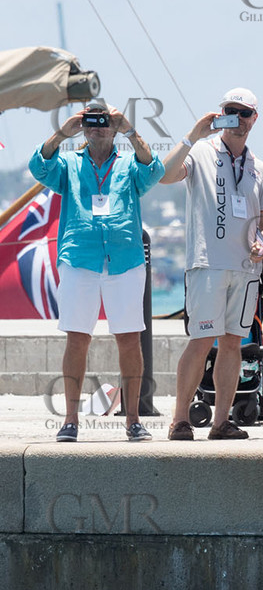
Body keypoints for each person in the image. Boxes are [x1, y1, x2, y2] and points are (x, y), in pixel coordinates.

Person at [29, 98, 162, 441]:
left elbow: (154, 171)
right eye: (91, 120)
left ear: (114, 125)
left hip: (124, 260)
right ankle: (70, 421)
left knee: (129, 339)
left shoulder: (129, 163)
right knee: (77, 338)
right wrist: (61, 133)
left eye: (103, 120)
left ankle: (133, 420)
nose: (97, 125)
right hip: (79, 258)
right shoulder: (69, 164)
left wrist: (129, 130)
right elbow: (39, 167)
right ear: (82, 126)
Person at [160, 88, 263, 440]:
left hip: (245, 268)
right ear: (220, 112)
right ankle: (179, 419)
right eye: (231, 110)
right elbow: (164, 176)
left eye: (245, 113)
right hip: (206, 264)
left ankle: (221, 421)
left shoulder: (262, 168)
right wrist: (193, 134)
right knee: (201, 339)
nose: (238, 118)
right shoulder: (200, 152)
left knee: (233, 343)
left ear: (255, 118)